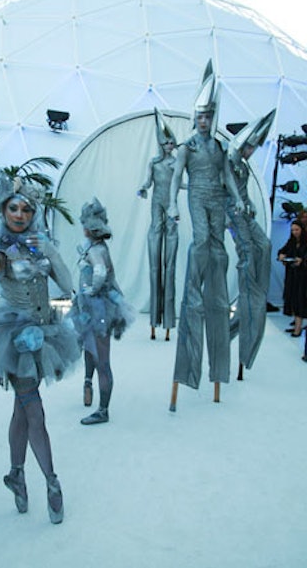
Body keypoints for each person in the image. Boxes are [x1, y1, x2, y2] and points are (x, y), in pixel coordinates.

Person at [0, 175, 81, 524]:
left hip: (45, 336)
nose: (20, 214)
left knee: (21, 411)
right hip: (13, 339)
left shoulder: (38, 243)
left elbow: (66, 281)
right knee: (35, 412)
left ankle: (16, 475)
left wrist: (53, 257)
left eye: (27, 209)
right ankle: (52, 482)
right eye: (13, 207)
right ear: (3, 209)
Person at [167, 59, 244, 410]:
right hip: (197, 196)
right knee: (201, 244)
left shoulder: (218, 149)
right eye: (200, 116)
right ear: (194, 118)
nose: (204, 121)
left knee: (218, 250)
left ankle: (214, 287)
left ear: (212, 119)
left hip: (218, 199)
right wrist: (172, 204)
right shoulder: (188, 148)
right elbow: (174, 179)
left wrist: (240, 200)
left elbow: (228, 176)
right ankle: (196, 286)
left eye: (208, 117)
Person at [69, 198, 135, 424]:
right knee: (90, 349)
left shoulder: (96, 250)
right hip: (90, 307)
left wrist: (91, 289)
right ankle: (88, 384)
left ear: (87, 228)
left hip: (98, 309)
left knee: (102, 359)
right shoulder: (94, 247)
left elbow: (99, 273)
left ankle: (103, 410)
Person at [226, 109, 276, 380]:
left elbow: (242, 192)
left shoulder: (242, 166)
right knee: (248, 253)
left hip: (244, 213)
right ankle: (250, 291)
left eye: (254, 149)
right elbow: (226, 191)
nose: (250, 152)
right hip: (233, 217)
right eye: (248, 147)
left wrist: (250, 203)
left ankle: (258, 290)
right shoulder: (228, 161)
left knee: (265, 246)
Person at [137, 108, 178, 341]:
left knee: (169, 266)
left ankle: (169, 322)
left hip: (171, 209)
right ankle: (154, 321)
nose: (169, 146)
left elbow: (181, 184)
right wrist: (143, 188)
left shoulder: (176, 164)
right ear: (161, 144)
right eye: (166, 142)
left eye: (172, 142)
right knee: (155, 264)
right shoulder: (154, 163)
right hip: (157, 208)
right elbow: (148, 182)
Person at [277, 219, 307, 337]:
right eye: (293, 230)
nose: (295, 232)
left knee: (300, 300)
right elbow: (283, 251)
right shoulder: (291, 242)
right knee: (293, 299)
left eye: (297, 230)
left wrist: (303, 261)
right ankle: (296, 325)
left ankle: (298, 329)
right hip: (292, 276)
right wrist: (281, 255)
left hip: (303, 277)